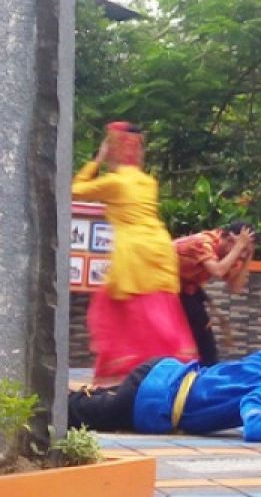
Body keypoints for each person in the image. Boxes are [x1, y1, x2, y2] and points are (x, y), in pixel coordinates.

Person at [71, 122, 197, 385]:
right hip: (160, 250)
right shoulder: (148, 182)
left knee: (121, 314)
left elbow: (75, 189)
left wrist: (97, 159)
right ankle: (167, 373)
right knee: (157, 315)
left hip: (135, 253)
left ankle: (129, 378)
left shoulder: (115, 183)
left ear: (114, 149)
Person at [67, 335, 261, 444]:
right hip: (152, 399)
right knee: (69, 413)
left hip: (162, 376)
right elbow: (258, 425)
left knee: (88, 401)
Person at [175, 221, 257, 365]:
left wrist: (248, 256)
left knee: (206, 345)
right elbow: (218, 271)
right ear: (230, 239)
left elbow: (235, 288)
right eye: (243, 250)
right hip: (164, 288)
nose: (241, 256)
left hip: (188, 290)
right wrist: (239, 247)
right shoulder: (203, 242)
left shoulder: (234, 253)